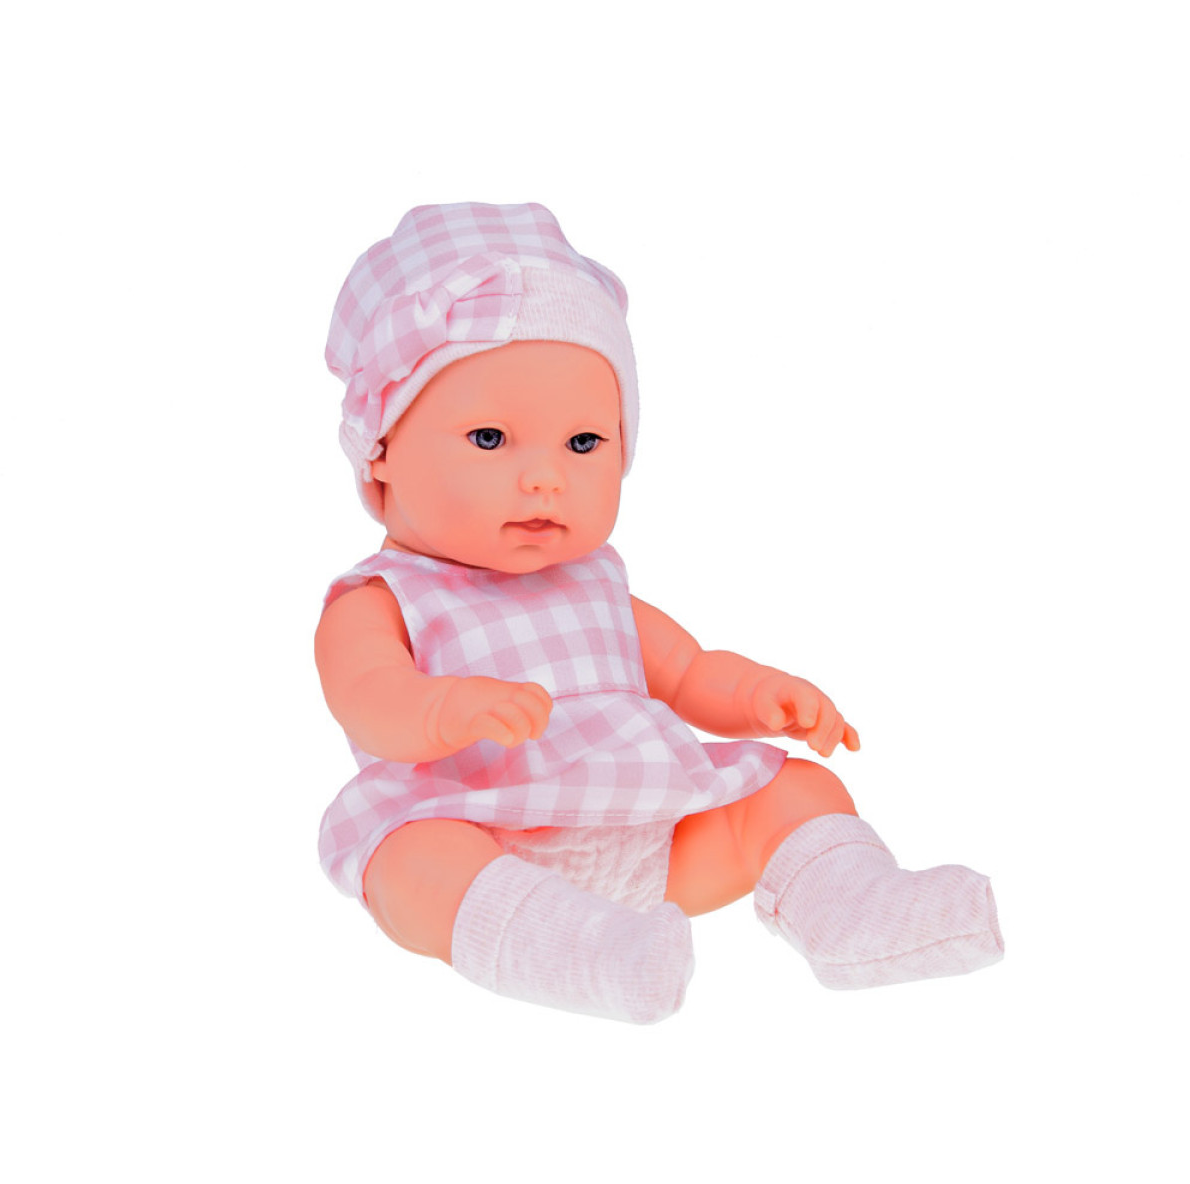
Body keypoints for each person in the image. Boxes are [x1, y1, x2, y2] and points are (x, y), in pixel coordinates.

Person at [314, 202, 1003, 1023]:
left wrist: (757, 696)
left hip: (655, 832)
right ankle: (584, 954)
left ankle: (855, 910)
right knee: (409, 863)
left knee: (796, 788)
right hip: (480, 828)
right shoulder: (382, 598)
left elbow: (688, 671)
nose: (546, 478)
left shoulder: (594, 583)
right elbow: (368, 697)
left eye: (583, 444)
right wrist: (443, 711)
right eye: (491, 439)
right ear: (381, 451)